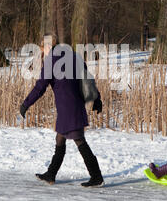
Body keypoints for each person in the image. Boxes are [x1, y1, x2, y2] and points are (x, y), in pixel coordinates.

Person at [20, 33, 104, 187]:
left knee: (79, 140)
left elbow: (40, 87)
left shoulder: (52, 61)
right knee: (60, 138)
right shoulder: (74, 56)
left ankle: (96, 176)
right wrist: (97, 99)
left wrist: (26, 104)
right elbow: (88, 78)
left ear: (47, 46)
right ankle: (51, 174)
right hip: (73, 105)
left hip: (68, 107)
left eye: (42, 48)